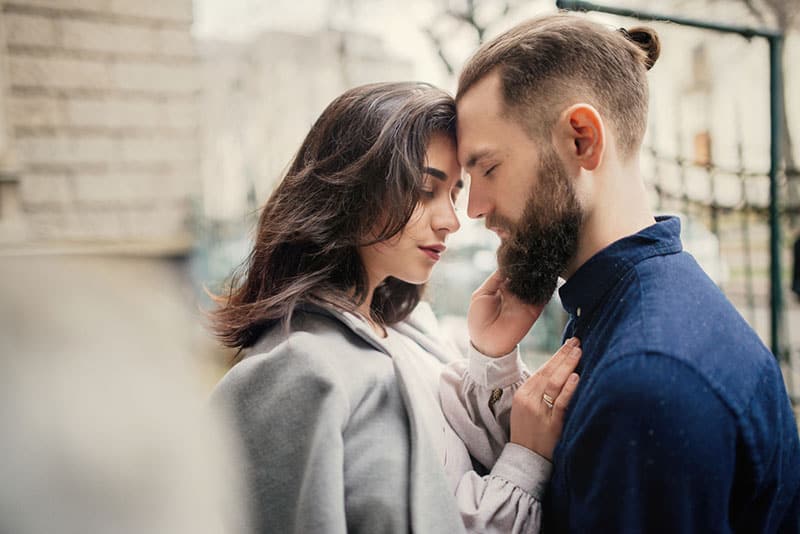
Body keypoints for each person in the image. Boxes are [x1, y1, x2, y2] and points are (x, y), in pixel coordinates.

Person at [452, 13, 800, 532]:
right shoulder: (621, 310)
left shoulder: (649, 382)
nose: (474, 207)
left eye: (489, 169)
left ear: (581, 140)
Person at [209, 81, 582, 534]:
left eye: (453, 193)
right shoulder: (299, 370)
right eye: (426, 189)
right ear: (351, 188)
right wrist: (526, 462)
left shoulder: (406, 328)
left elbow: (469, 471)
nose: (451, 220)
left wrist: (491, 358)